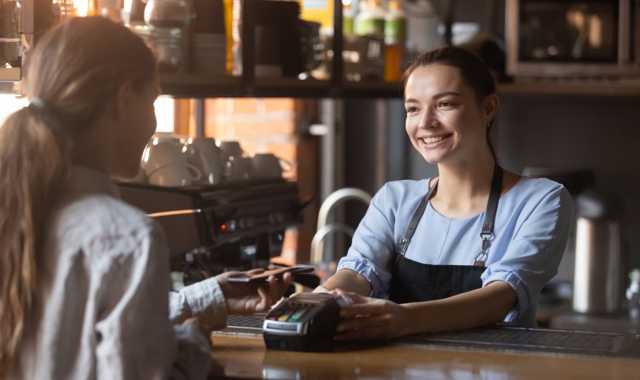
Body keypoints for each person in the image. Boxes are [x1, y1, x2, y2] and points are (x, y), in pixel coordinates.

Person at [0, 17, 290, 380]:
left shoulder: (17, 209)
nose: (153, 121)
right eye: (152, 100)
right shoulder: (129, 237)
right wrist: (190, 348)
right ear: (123, 100)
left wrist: (209, 297)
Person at [318, 47, 574, 341]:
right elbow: (357, 274)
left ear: (488, 108)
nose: (425, 122)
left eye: (445, 104)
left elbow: (501, 296)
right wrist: (316, 301)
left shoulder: (541, 200)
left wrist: (404, 318)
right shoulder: (394, 200)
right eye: (413, 108)